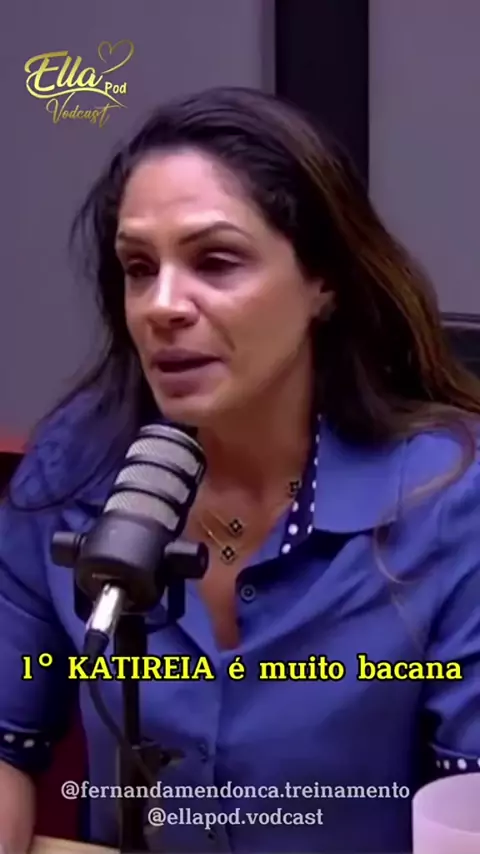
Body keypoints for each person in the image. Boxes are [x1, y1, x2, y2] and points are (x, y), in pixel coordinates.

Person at [1, 85, 480, 854]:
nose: (161, 306)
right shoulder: (73, 467)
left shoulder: (451, 501)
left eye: (215, 261)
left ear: (322, 282)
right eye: (137, 268)